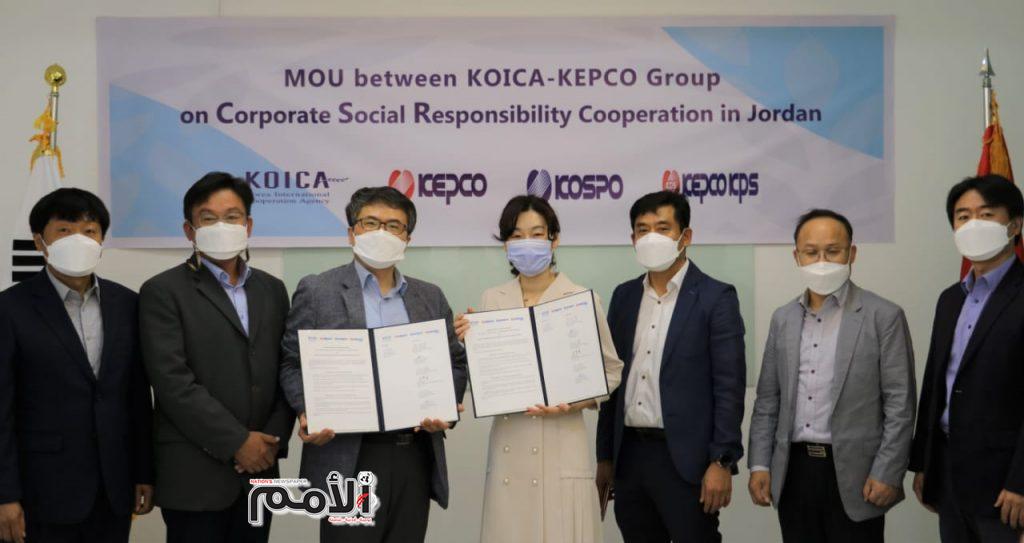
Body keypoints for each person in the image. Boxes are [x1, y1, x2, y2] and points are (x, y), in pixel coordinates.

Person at [279, 186, 468, 543]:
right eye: (370, 223)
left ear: (407, 239)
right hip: (347, 456)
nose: (382, 233)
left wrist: (446, 406)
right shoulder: (318, 291)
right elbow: (291, 362)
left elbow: (455, 362)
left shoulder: (430, 296)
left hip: (414, 454)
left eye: (394, 226)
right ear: (352, 232)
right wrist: (307, 410)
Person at [452, 195, 623, 543]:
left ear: (554, 239)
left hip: (562, 442)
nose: (526, 243)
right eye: (516, 236)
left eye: (536, 234)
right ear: (505, 245)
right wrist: (472, 343)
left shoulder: (580, 298)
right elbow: (490, 377)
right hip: (510, 445)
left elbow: (611, 370)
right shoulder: (492, 299)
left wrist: (573, 402)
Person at [139, 172, 294, 543]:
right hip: (195, 476)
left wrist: (270, 441)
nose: (221, 226)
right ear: (189, 230)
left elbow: (287, 368)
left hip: (259, 474)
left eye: (232, 216)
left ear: (248, 225)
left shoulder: (272, 290)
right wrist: (238, 442)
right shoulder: (162, 291)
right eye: (208, 218)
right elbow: (173, 383)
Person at [747, 208, 916, 542]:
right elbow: (768, 400)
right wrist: (759, 464)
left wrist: (888, 471)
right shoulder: (783, 318)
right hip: (793, 471)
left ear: (852, 253)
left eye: (833, 251)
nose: (821, 261)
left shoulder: (883, 316)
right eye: (811, 252)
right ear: (797, 257)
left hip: (859, 474)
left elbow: (900, 404)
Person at [0, 188, 154, 543]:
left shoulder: (128, 304)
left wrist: (144, 472)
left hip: (114, 487)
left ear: (101, 240)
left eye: (89, 230)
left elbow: (137, 397)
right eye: (64, 231)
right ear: (40, 242)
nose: (79, 240)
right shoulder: (10, 309)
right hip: (42, 490)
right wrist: (5, 494)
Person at [595, 190, 746, 542]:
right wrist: (604, 457)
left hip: (687, 462)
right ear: (633, 239)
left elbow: (729, 387)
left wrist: (722, 461)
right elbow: (612, 382)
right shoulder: (624, 296)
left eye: (663, 228)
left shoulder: (716, 297)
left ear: (685, 236)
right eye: (643, 230)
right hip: (630, 457)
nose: (652, 238)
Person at [910, 175, 1024, 542]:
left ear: (1015, 225)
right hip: (948, 475)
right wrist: (924, 463)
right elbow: (936, 384)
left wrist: (1021, 482)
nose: (973, 224)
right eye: (963, 216)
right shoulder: (950, 299)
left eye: (986, 215)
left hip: (1006, 485)